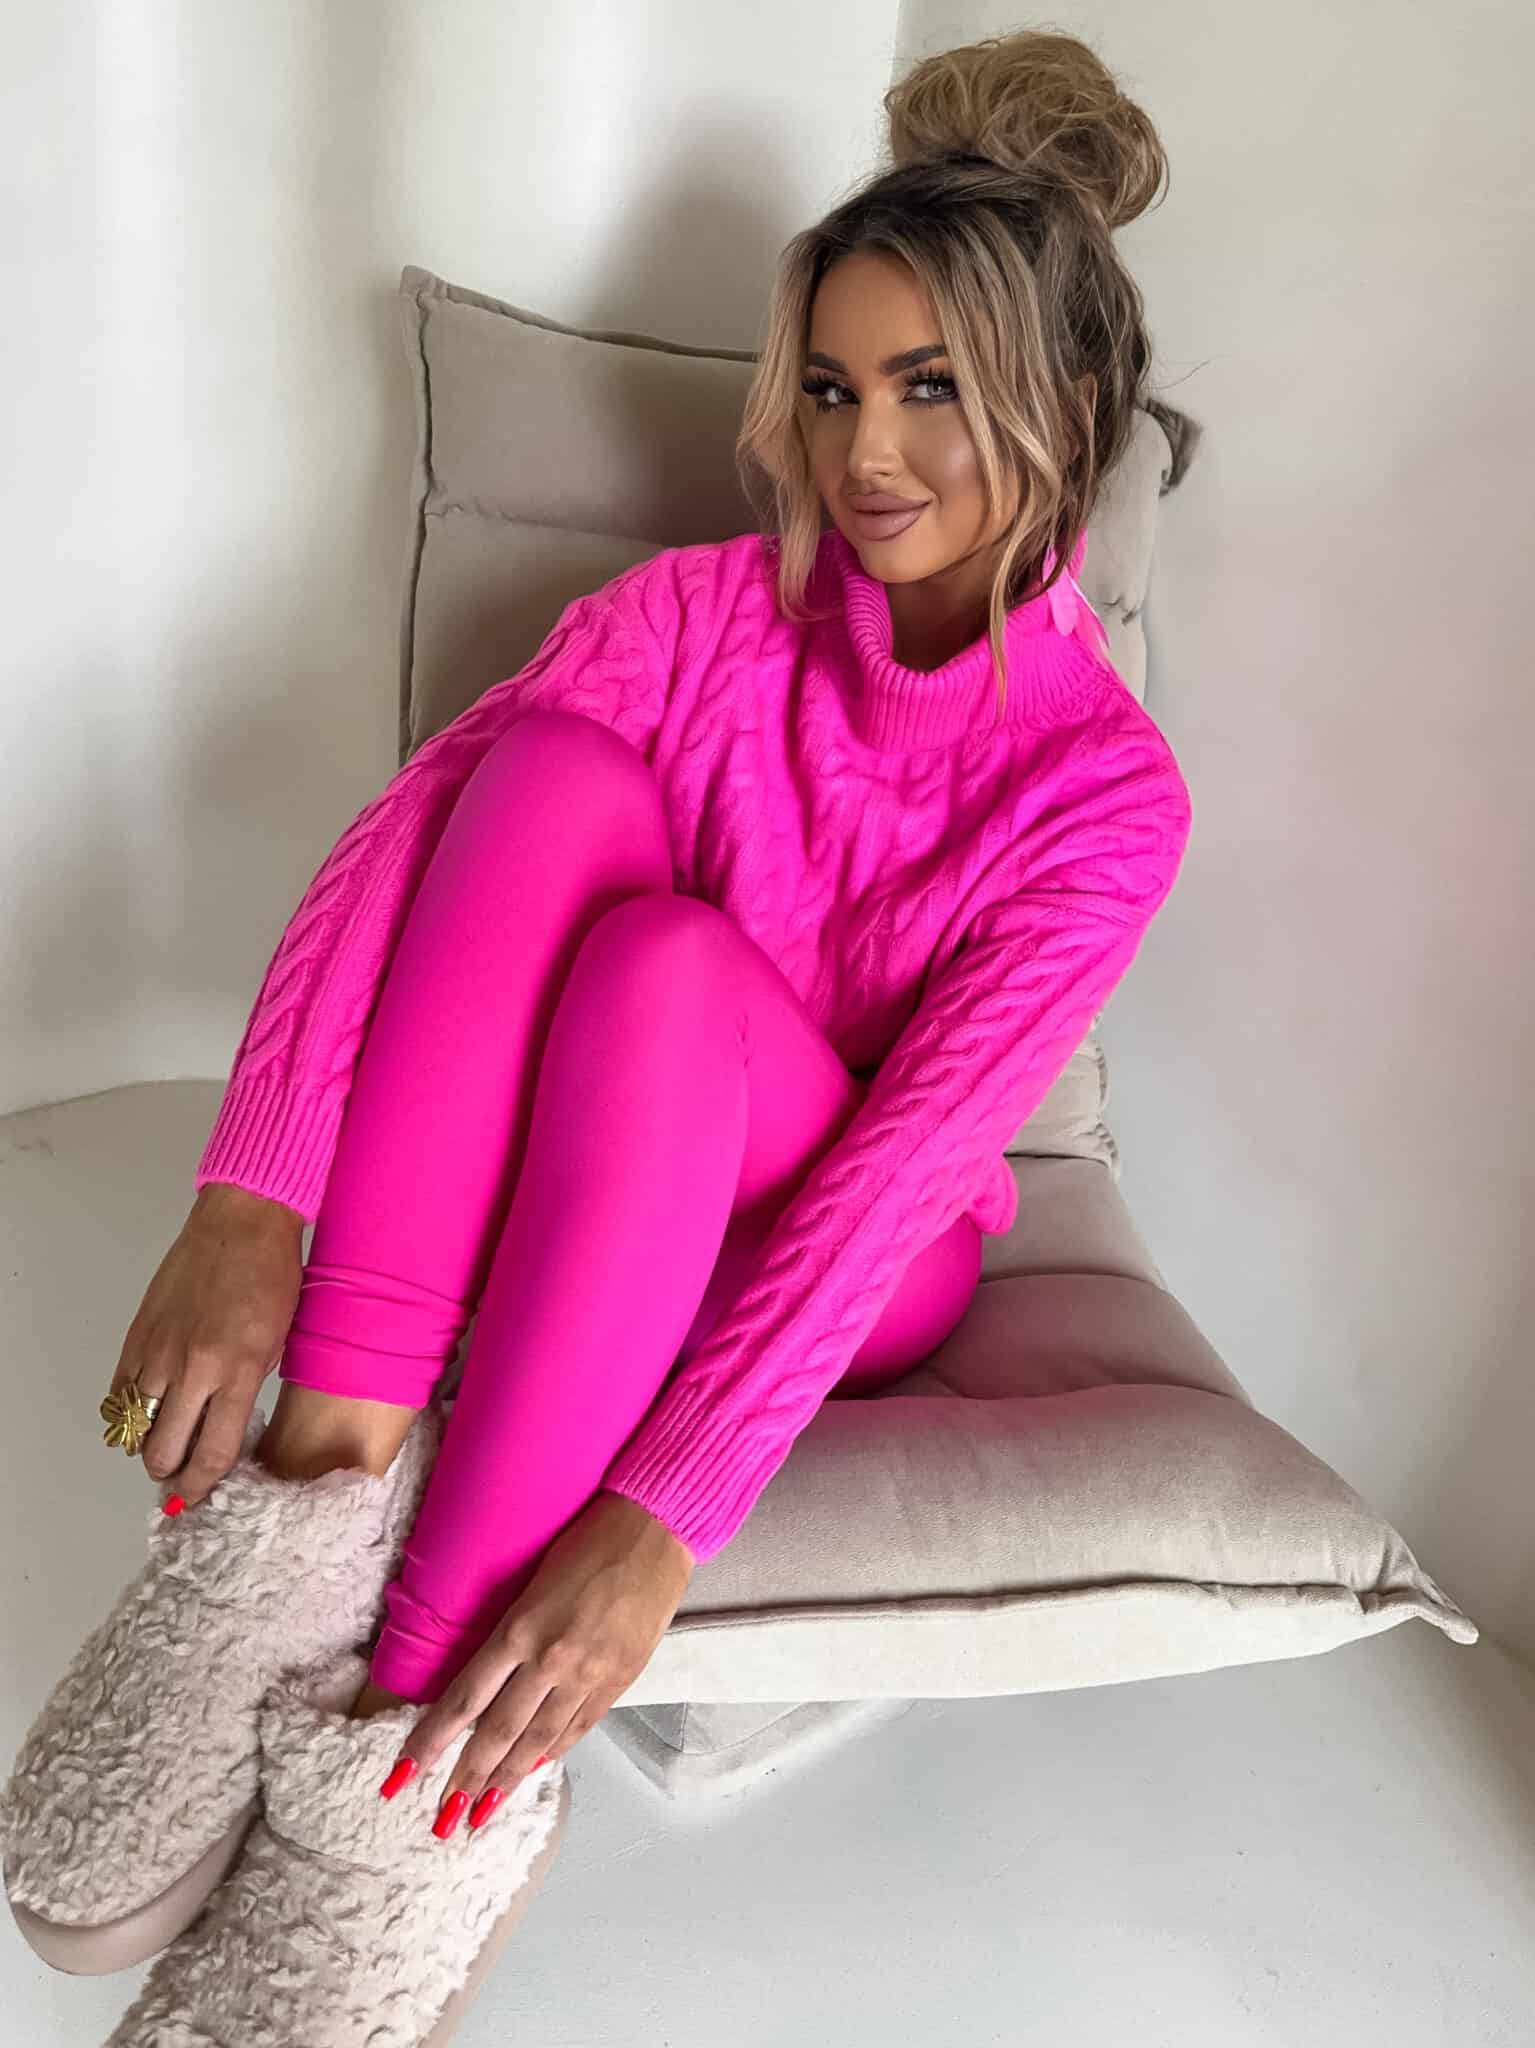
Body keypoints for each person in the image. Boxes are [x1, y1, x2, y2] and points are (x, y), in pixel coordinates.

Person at [2, 26, 1193, 2044]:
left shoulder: (1103, 790)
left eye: (930, 389)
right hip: (607, 1145)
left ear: (1066, 406)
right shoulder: (704, 615)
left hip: (861, 1240)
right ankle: (315, 1485)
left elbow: (904, 1165)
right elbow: (408, 842)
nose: (866, 455)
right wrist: (247, 1197)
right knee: (543, 776)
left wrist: (658, 1525)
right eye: (834, 387)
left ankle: (426, 1738)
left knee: (667, 969)